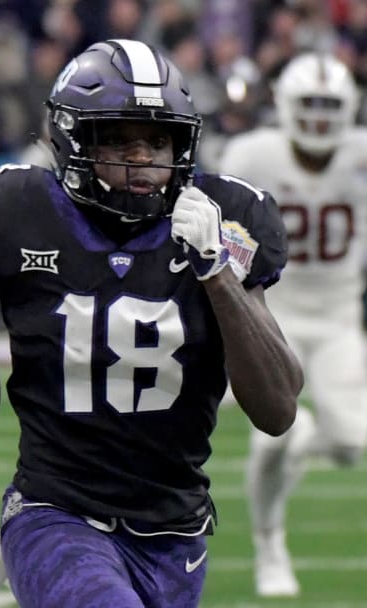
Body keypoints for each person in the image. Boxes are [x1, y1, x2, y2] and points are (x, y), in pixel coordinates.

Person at [0, 39, 303, 607]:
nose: (144, 159)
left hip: (175, 532)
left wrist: (217, 273)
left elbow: (277, 411)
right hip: (57, 512)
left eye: (158, 140)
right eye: (120, 140)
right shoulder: (20, 212)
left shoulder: (225, 220)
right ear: (74, 140)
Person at [220, 52, 367, 598]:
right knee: (273, 439)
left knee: (351, 443)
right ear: (285, 104)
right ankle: (269, 544)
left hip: (339, 317)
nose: (322, 118)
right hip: (270, 315)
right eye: (312, 105)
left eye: (331, 106)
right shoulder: (252, 155)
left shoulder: (361, 154)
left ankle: (302, 441)